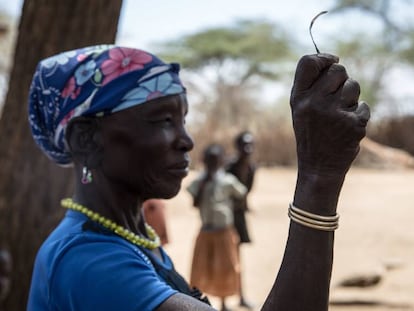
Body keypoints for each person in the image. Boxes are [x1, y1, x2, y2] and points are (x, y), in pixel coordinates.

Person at [26, 44, 369, 311]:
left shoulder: (130, 237)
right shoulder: (89, 261)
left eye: (183, 120)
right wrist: (318, 179)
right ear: (86, 139)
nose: (186, 140)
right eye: (162, 121)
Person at [187, 143, 246, 311]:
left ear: (221, 161)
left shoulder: (227, 180)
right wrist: (204, 185)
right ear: (204, 161)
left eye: (215, 161)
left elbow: (241, 194)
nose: (212, 164)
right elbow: (194, 203)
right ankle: (197, 301)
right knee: (200, 267)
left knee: (225, 267)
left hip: (224, 231)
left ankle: (224, 304)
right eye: (209, 161)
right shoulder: (199, 181)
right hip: (206, 230)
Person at [226, 130, 256, 309]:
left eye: (250, 145)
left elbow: (246, 192)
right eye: (244, 145)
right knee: (226, 256)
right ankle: (223, 300)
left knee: (237, 257)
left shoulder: (251, 168)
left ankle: (241, 296)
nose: (248, 149)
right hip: (227, 217)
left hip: (239, 216)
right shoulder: (229, 168)